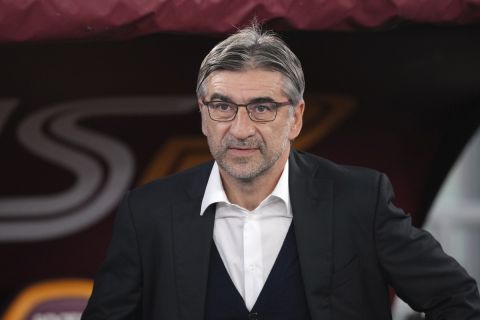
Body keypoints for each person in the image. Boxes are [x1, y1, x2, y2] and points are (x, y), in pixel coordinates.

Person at [82, 23, 480, 320]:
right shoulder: (148, 211)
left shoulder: (360, 199)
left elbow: (458, 300)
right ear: (203, 115)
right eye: (222, 106)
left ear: (296, 117)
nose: (240, 129)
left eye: (262, 107)